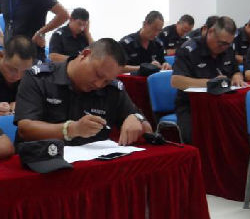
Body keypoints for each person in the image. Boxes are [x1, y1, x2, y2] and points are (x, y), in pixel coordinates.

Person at [14, 38, 150, 146]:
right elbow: (25, 129)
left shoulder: (112, 89)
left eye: (106, 81)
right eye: (97, 74)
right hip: (43, 162)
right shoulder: (39, 78)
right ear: (85, 55)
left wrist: (136, 118)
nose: (99, 84)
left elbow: (147, 129)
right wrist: (72, 129)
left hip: (92, 166)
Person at [171, 16, 243, 144]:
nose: (224, 47)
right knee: (198, 138)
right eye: (221, 43)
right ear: (210, 32)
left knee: (239, 131)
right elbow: (176, 81)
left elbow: (235, 71)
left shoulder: (228, 49)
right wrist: (211, 83)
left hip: (222, 104)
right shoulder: (188, 49)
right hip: (192, 106)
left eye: (228, 44)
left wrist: (237, 76)